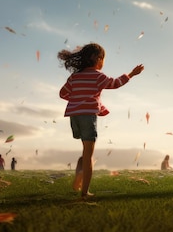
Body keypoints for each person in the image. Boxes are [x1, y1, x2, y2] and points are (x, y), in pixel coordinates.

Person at [58, 43, 144, 198]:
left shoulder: (74, 77)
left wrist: (77, 99)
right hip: (88, 116)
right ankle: (84, 192)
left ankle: (80, 171)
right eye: (103, 59)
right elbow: (115, 83)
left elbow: (63, 94)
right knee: (89, 154)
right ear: (98, 59)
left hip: (74, 117)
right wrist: (131, 74)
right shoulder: (98, 76)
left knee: (85, 150)